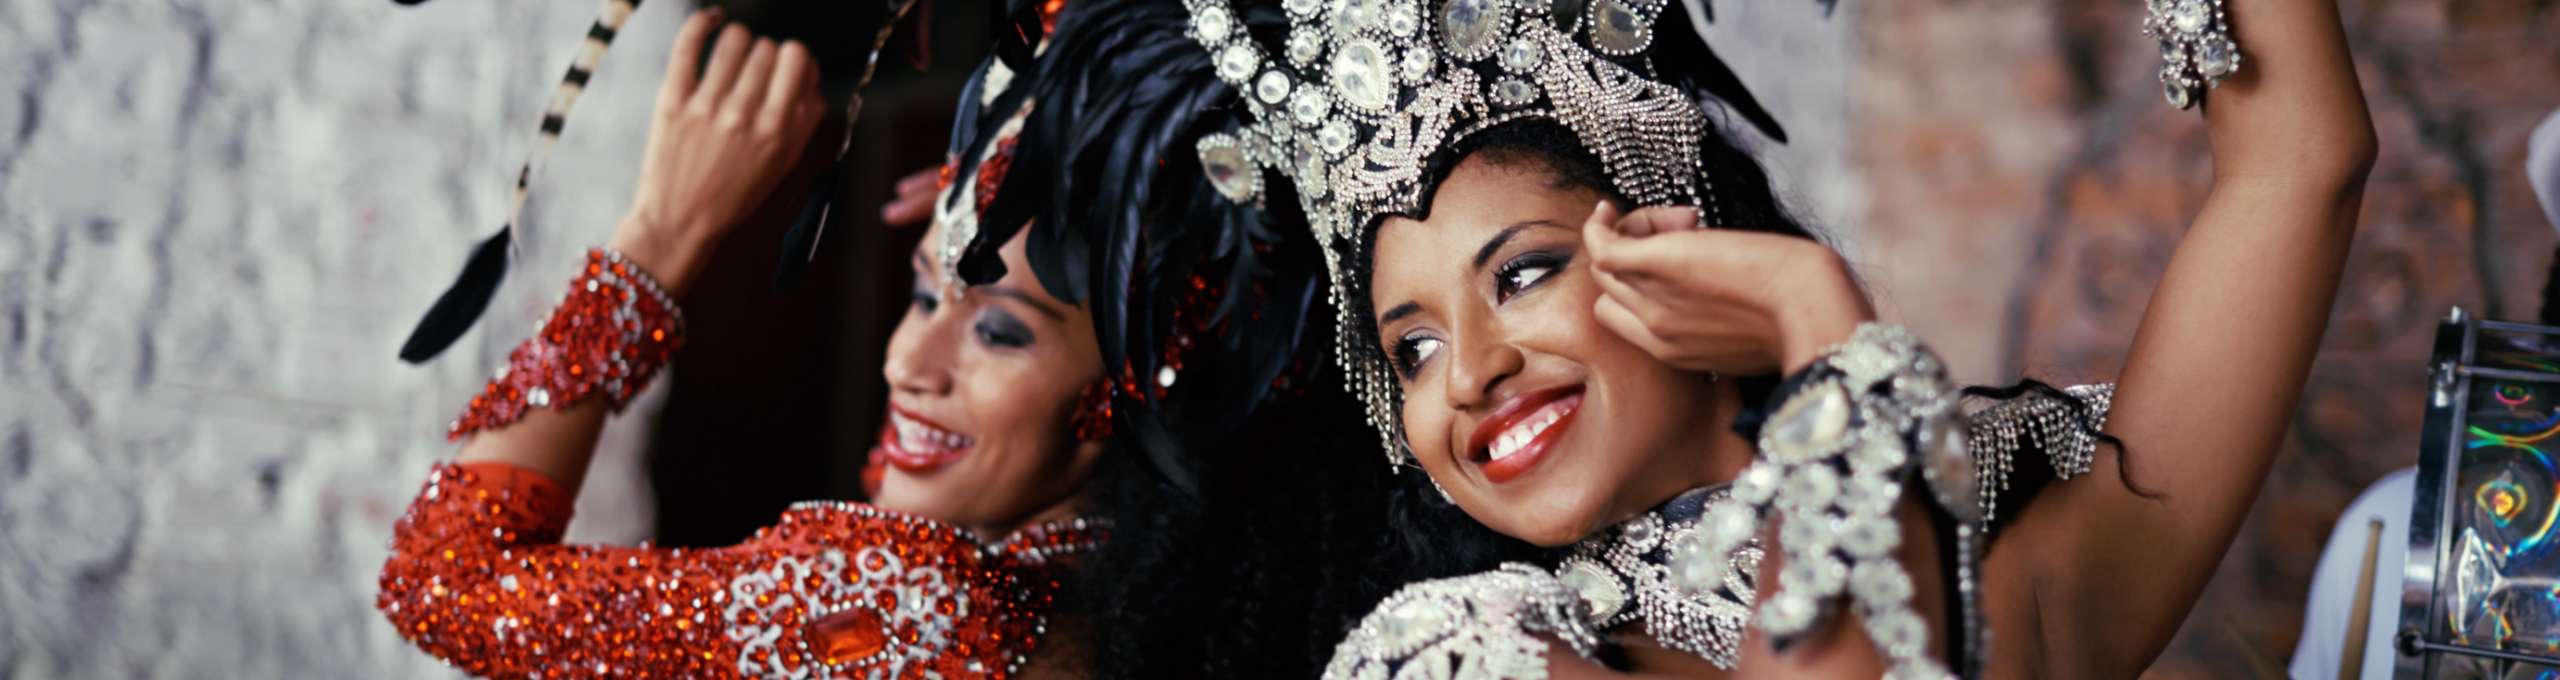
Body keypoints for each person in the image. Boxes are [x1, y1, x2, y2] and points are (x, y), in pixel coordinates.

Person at [1171, 0, 2375, 676]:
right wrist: (1817, 331)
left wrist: (1828, 360)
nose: (1472, 369)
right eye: (1412, 348)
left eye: (1522, 273)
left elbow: (2297, 166)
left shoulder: (2008, 571)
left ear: (1669, 234)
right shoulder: (1457, 652)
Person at [374, 1, 1394, 677]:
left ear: (1146, 377)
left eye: (1000, 332)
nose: (910, 361)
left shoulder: (923, 612)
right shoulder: (1159, 619)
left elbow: (446, 580)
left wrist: (659, 242)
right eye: (918, 296)